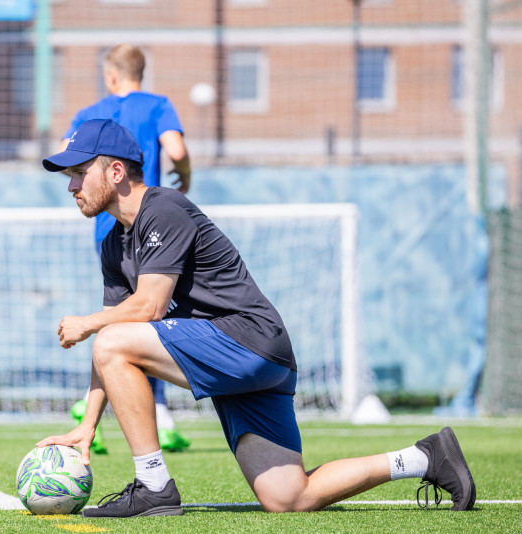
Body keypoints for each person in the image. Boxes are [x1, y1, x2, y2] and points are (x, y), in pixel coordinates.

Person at [37, 119, 476, 518]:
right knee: (288, 497)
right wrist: (86, 426)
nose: (71, 185)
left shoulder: (163, 208)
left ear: (115, 172)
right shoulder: (115, 245)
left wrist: (88, 323)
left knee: (111, 339)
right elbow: (116, 332)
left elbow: (145, 310)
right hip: (249, 363)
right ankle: (423, 457)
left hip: (248, 342)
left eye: (78, 172)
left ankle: (154, 485)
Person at [60, 43, 192, 454]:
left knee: (135, 317)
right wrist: (184, 176)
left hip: (110, 225)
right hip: (135, 218)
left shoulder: (90, 113)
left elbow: (68, 150)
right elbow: (177, 151)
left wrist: (86, 323)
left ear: (110, 75)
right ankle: (152, 411)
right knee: (142, 316)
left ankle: (112, 407)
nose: (72, 181)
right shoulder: (156, 105)